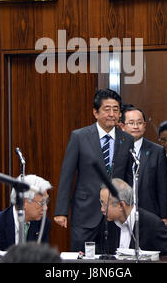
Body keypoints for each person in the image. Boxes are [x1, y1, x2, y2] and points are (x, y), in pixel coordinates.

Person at [54, 89, 134, 252]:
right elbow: (67, 175)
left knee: (112, 259)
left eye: (116, 109)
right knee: (81, 258)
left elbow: (128, 178)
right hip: (85, 211)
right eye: (107, 109)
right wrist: (61, 211)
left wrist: (130, 210)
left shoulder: (127, 139)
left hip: (115, 213)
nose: (112, 114)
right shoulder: (79, 136)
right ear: (95, 112)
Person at [98, 178, 167, 255]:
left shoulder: (153, 225)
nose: (102, 209)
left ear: (121, 205)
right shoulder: (107, 223)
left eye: (105, 205)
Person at [0, 174, 51, 254]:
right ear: (24, 202)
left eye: (46, 201)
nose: (45, 208)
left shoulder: (43, 223)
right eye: (42, 203)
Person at [120, 105, 167, 226]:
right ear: (122, 127)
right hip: (122, 214)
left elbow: (162, 187)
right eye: (131, 123)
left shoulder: (157, 151)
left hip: (150, 213)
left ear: (145, 125)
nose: (136, 126)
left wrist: (164, 216)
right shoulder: (117, 150)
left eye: (139, 123)